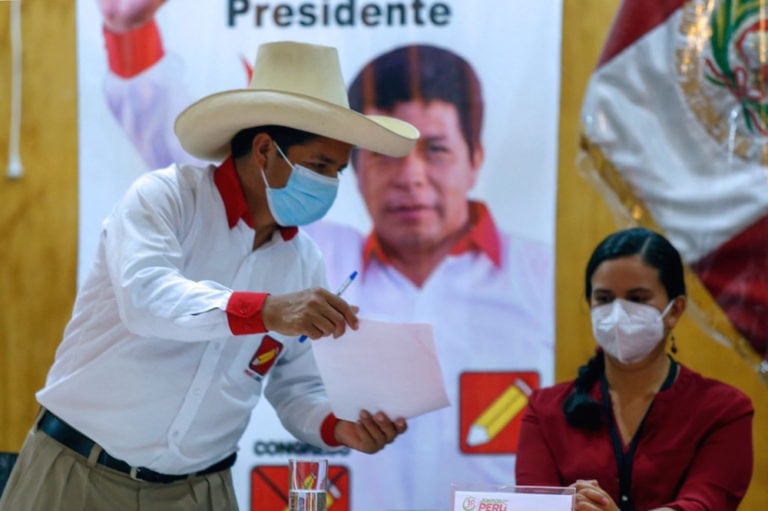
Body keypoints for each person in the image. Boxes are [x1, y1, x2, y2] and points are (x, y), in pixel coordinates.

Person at [0, 41, 419, 511]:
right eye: (319, 165)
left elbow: (295, 385)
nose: (330, 184)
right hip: (77, 474)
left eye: (339, 171)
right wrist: (266, 309)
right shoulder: (166, 199)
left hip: (201, 491)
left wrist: (338, 425)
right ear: (265, 149)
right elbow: (147, 298)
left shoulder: (303, 260)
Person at [305, 44, 554, 510]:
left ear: (475, 158)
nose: (411, 177)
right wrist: (127, 34)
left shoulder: (546, 279)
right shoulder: (318, 261)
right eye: (385, 154)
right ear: (354, 170)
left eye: (435, 150)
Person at [515, 227, 754, 511]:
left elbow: (705, 504)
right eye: (604, 299)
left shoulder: (723, 410)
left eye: (637, 298)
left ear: (675, 310)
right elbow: (532, 504)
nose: (617, 313)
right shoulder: (545, 411)